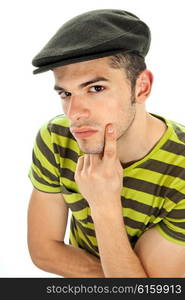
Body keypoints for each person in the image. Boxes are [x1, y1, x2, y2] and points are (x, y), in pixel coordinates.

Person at [27, 9, 185, 278]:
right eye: (66, 93)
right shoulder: (57, 138)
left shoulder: (180, 172)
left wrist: (104, 204)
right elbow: (43, 251)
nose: (74, 113)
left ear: (141, 87)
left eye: (95, 89)